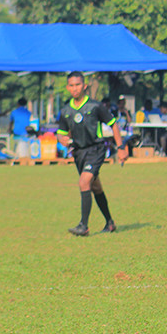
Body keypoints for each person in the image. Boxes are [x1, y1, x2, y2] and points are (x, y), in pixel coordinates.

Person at [56, 72, 128, 236]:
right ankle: (110, 222)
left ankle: (84, 226)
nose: (75, 88)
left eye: (78, 85)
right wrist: (63, 139)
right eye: (72, 85)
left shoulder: (95, 106)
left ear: (84, 86)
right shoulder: (66, 111)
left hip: (95, 150)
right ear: (68, 88)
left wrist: (121, 147)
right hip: (79, 153)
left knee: (84, 182)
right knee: (95, 186)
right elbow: (60, 133)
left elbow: (113, 124)